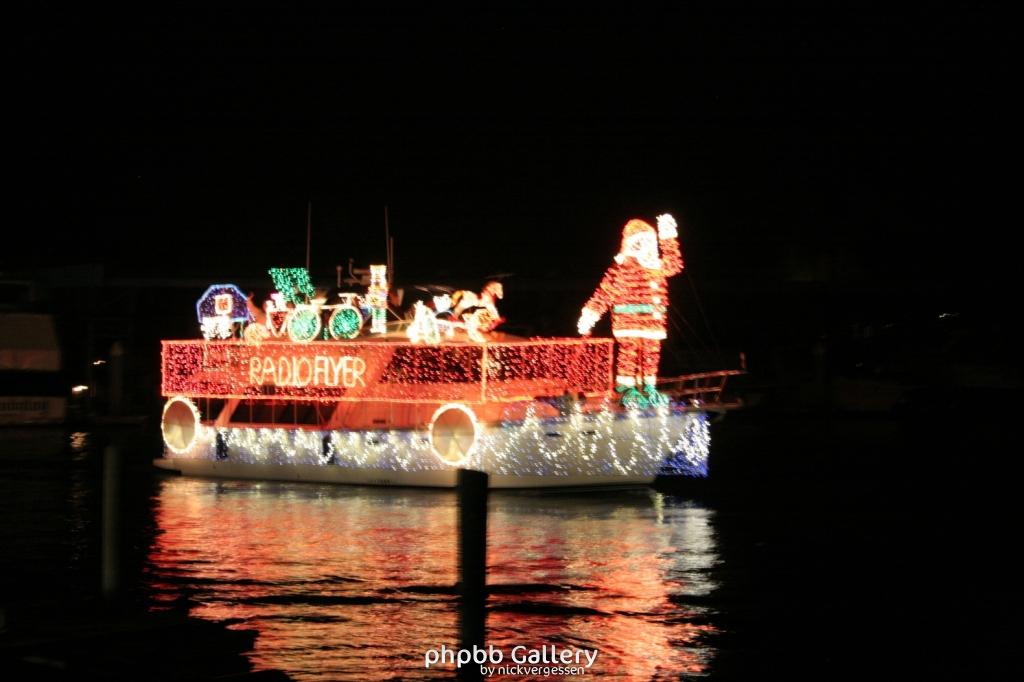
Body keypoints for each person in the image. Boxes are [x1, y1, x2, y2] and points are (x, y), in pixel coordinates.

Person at [577, 214, 683, 406]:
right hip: (628, 321)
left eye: (650, 242)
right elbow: (604, 293)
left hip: (654, 323)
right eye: (641, 243)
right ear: (632, 245)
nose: (647, 248)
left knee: (651, 354)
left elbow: (674, 265)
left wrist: (668, 237)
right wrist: (590, 314)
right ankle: (626, 389)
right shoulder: (622, 268)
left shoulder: (657, 266)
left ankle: (649, 388)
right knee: (629, 354)